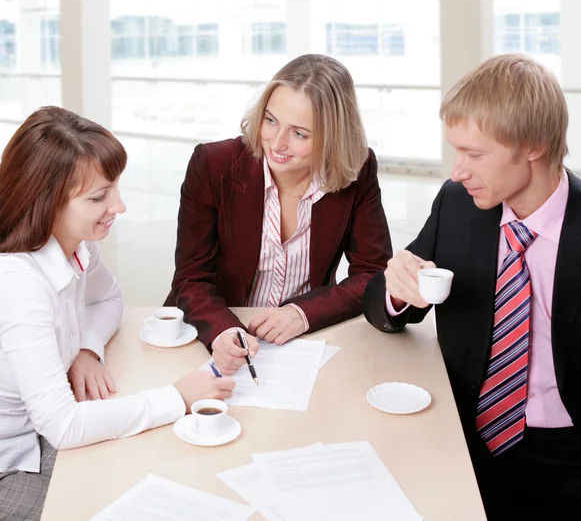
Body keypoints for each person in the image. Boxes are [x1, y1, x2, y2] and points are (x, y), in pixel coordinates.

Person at [363, 53, 581, 520]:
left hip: (575, 457)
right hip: (464, 438)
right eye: (456, 151)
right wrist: (395, 288)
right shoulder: (458, 205)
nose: (458, 171)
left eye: (475, 154)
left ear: (533, 145)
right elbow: (387, 307)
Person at [0, 107, 235, 521]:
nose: (120, 206)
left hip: (39, 435)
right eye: (98, 197)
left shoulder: (74, 241)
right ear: (47, 201)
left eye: (115, 189)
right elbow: (64, 426)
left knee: (158, 463)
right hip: (13, 463)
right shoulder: (19, 282)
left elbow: (108, 298)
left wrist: (86, 351)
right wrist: (177, 397)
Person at [165, 53, 392, 375]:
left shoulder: (360, 168)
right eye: (270, 121)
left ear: (334, 138)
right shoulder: (213, 164)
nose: (277, 143)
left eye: (300, 133)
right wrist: (224, 331)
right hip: (215, 330)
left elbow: (372, 273)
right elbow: (191, 276)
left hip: (302, 337)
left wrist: (301, 314)